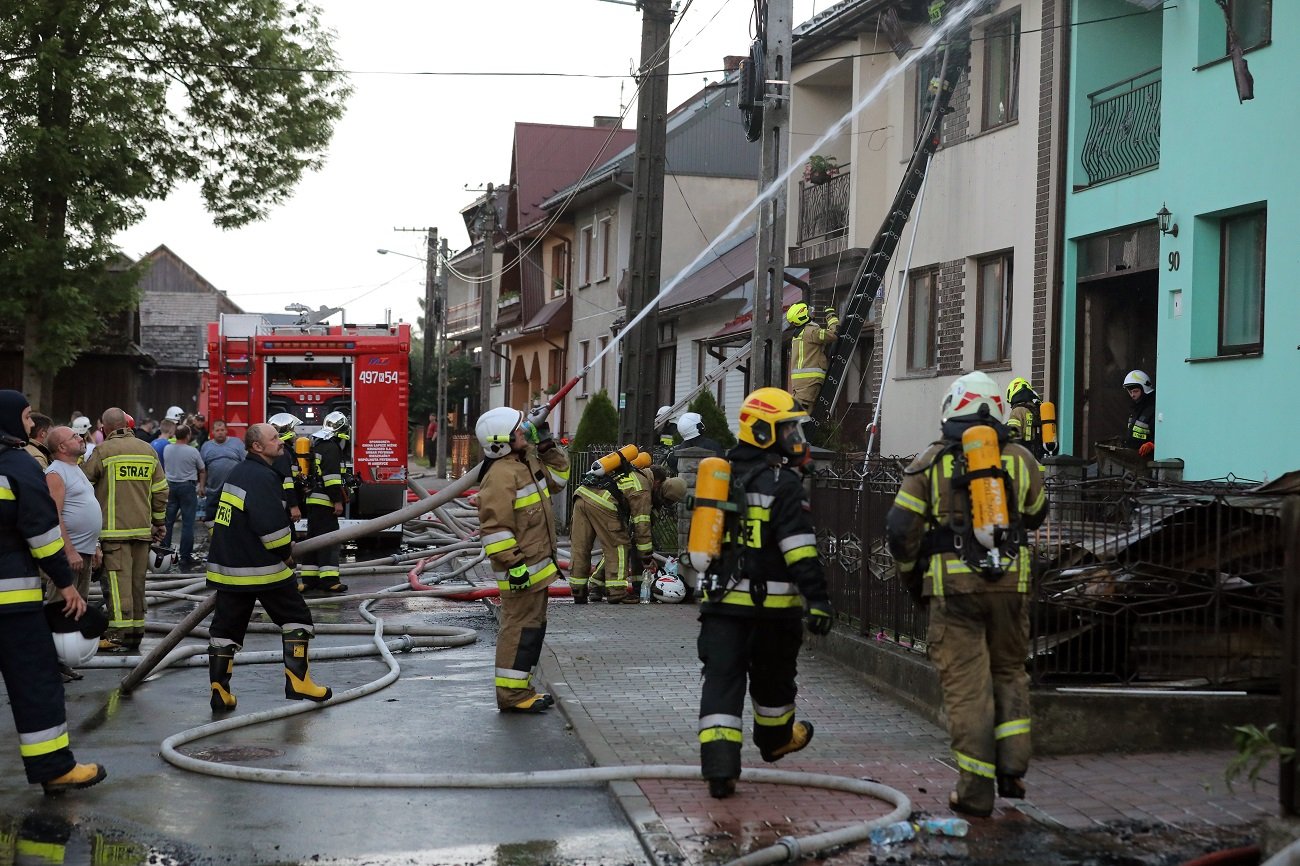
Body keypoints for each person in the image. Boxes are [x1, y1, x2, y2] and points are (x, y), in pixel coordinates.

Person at [885, 371, 1047, 818]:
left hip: (953, 592)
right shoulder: (1018, 459)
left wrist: (912, 580)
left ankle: (975, 794)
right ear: (996, 410)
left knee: (967, 688)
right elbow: (1036, 513)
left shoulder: (929, 461)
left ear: (949, 410)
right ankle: (1012, 770)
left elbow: (900, 531)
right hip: (1011, 586)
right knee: (1010, 672)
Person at [696, 386, 832, 800]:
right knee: (774, 683)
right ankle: (774, 743)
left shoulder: (720, 478)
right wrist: (819, 601)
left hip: (720, 607)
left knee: (721, 682)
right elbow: (800, 550)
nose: (796, 438)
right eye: (787, 429)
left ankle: (720, 770)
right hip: (773, 612)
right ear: (761, 432)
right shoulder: (783, 484)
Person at [0, 389, 107, 794]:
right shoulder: (19, 466)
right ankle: (54, 767)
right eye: (27, 418)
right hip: (11, 602)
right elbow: (43, 535)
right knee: (36, 683)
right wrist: (66, 585)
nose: (31, 426)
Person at [206, 423, 331, 712]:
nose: (281, 442)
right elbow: (272, 528)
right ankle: (299, 682)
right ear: (257, 447)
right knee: (296, 617)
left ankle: (219, 692)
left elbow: (214, 515)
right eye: (274, 438)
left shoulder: (239, 471)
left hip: (229, 568)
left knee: (226, 629)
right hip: (261, 568)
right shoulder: (262, 477)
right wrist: (285, 552)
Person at [474, 405, 569, 712]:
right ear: (501, 441)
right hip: (521, 571)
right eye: (519, 431)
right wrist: (514, 566)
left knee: (531, 630)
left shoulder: (525, 462)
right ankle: (512, 696)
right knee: (518, 630)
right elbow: (495, 528)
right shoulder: (500, 476)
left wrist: (545, 442)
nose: (523, 432)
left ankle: (521, 690)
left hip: (537, 570)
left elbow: (559, 479)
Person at [82, 407, 168, 653]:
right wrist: (158, 523)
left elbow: (83, 487)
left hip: (113, 533)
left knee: (119, 585)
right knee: (138, 583)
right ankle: (136, 632)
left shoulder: (102, 451)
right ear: (128, 426)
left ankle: (119, 634)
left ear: (105, 429)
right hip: (142, 532)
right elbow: (161, 490)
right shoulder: (148, 449)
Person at [569, 452, 655, 605]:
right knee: (618, 546)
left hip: (581, 495)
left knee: (580, 547)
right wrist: (646, 555)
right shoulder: (642, 485)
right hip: (603, 502)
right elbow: (641, 523)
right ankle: (616, 592)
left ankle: (578, 591)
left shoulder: (618, 469)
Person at [42, 427, 101, 603]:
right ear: (62, 447)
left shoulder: (74, 468)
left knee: (78, 608)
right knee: (62, 608)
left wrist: (94, 546)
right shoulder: (55, 473)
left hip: (83, 551)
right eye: (74, 437)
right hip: (70, 555)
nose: (81, 438)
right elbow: (54, 515)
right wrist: (69, 551)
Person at [299, 411, 349, 594]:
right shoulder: (332, 447)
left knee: (313, 540)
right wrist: (337, 501)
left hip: (313, 499)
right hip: (325, 501)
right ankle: (329, 580)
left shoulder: (318, 443)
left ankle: (309, 580)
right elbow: (332, 479)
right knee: (328, 541)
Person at [162, 424, 206, 572]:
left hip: (170, 487)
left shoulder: (167, 448)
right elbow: (202, 469)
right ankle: (185, 557)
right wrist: (201, 486)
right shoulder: (192, 451)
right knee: (187, 524)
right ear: (188, 436)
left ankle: (164, 554)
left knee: (168, 523)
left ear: (175, 435)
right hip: (187, 488)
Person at [786, 301, 840, 412]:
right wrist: (831, 316)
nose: (812, 313)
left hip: (801, 385)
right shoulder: (811, 332)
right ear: (802, 316)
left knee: (796, 414)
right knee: (802, 418)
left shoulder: (797, 335)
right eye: (809, 311)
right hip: (810, 382)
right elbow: (833, 334)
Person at [200, 420, 245, 531]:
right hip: (213, 491)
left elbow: (245, 465)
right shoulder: (206, 446)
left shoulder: (237, 443)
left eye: (222, 430)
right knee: (211, 520)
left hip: (233, 491)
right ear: (213, 432)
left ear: (226, 431)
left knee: (233, 521)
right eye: (217, 430)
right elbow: (203, 469)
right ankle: (214, 544)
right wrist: (201, 486)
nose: (220, 432)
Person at [1005, 377, 1044, 459]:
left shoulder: (1017, 411)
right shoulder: (1039, 410)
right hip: (1041, 460)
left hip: (1025, 461)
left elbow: (1013, 438)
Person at [1122, 370, 1156, 458]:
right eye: (1130, 392)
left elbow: (1164, 435)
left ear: (1145, 389)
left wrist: (1152, 444)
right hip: (1134, 459)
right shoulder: (1135, 409)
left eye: (1135, 391)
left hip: (1147, 460)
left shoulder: (1154, 409)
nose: (1132, 395)